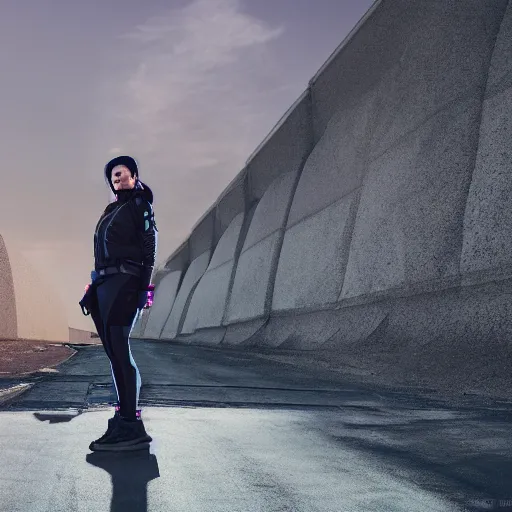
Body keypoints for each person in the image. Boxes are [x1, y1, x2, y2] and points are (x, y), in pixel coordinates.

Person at [80, 155, 158, 452]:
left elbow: (149, 249)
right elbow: (100, 252)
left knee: (120, 349)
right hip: (105, 284)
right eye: (112, 175)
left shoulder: (140, 205)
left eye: (122, 173)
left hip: (126, 282)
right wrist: (93, 285)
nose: (117, 178)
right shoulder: (112, 209)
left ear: (134, 175)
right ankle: (123, 418)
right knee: (113, 352)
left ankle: (130, 424)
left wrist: (144, 289)